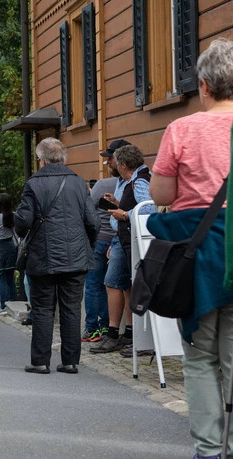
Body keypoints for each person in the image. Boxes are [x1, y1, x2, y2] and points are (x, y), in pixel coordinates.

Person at [148, 38, 233, 459]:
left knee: (200, 359)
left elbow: (161, 191)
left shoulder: (182, 129)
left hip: (198, 258)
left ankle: (208, 450)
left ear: (203, 86)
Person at [15, 138, 98, 375]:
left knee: (42, 308)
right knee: (72, 309)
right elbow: (93, 221)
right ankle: (70, 362)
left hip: (43, 256)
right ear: (64, 158)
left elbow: (23, 222)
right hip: (76, 257)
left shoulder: (33, 184)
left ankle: (40, 362)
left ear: (41, 160)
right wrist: (86, 246)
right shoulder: (79, 184)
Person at [90, 144, 154, 354]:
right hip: (123, 240)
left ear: (123, 164)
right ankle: (125, 334)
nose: (113, 165)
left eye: (115, 162)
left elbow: (149, 207)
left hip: (132, 240)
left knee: (115, 282)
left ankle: (118, 334)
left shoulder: (140, 180)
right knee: (121, 283)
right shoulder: (132, 180)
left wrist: (125, 215)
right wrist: (118, 203)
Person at [81, 146, 120, 343]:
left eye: (109, 159)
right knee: (111, 285)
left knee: (93, 285)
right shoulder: (132, 183)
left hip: (100, 239)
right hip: (120, 241)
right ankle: (107, 326)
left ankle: (91, 327)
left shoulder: (102, 184)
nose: (108, 163)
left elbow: (87, 210)